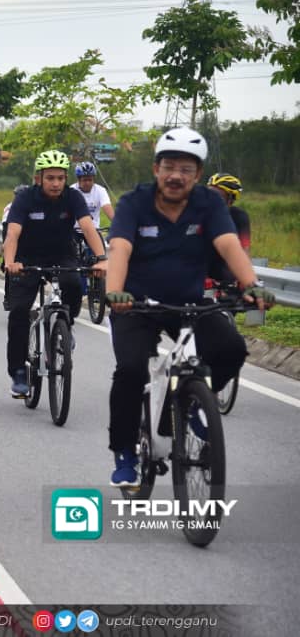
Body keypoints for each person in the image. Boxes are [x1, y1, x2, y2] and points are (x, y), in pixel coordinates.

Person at [104, 127, 273, 487]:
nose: (175, 175)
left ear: (197, 175)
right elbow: (120, 247)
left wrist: (251, 285)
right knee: (131, 371)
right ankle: (125, 452)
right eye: (169, 166)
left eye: (185, 169)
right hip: (135, 304)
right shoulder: (135, 203)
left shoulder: (209, 204)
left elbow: (229, 245)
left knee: (231, 349)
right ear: (156, 169)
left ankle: (197, 405)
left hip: (189, 302)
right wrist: (115, 291)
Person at [2, 150, 106, 397]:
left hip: (62, 254)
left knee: (73, 284)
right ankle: (18, 372)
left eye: (60, 177)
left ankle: (65, 326)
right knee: (18, 312)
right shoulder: (25, 198)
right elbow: (13, 234)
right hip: (26, 258)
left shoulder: (73, 197)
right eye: (50, 178)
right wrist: (10, 262)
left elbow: (89, 228)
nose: (56, 183)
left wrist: (102, 259)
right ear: (39, 177)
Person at [205, 173, 251, 286]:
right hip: (198, 275)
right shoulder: (198, 214)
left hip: (225, 278)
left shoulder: (239, 217)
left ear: (230, 199)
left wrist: (245, 280)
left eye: (217, 195)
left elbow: (244, 250)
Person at [72, 161, 114, 228]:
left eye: (90, 180)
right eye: (85, 180)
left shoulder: (100, 190)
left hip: (94, 229)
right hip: (75, 230)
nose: (88, 183)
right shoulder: (72, 191)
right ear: (79, 180)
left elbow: (107, 207)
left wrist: (118, 224)